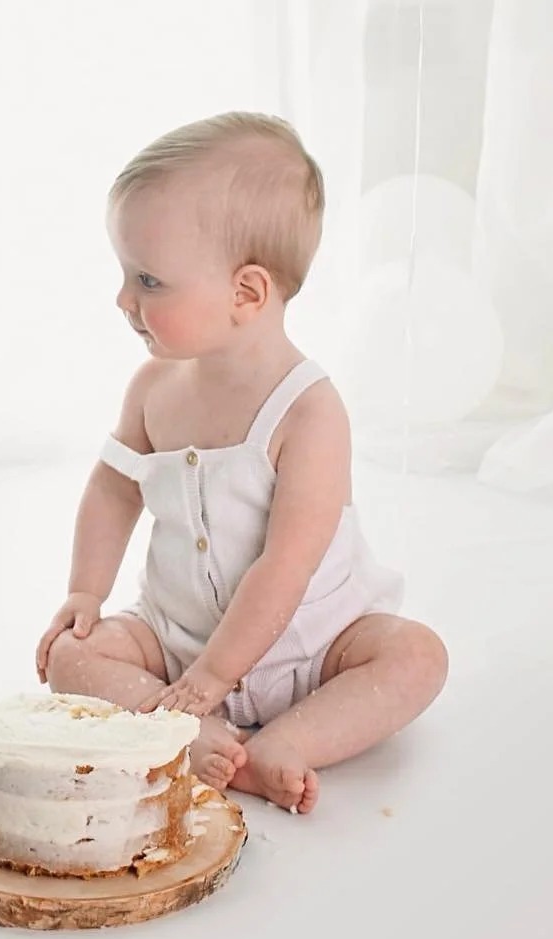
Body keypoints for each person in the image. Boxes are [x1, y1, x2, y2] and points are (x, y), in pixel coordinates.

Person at [35, 112, 448, 814]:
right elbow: (112, 490)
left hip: (315, 646)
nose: (122, 299)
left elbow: (285, 566)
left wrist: (213, 677)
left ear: (247, 293)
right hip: (175, 639)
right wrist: (86, 592)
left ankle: (286, 739)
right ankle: (199, 736)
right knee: (69, 660)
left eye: (148, 280)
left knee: (417, 655)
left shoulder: (309, 413)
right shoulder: (153, 391)